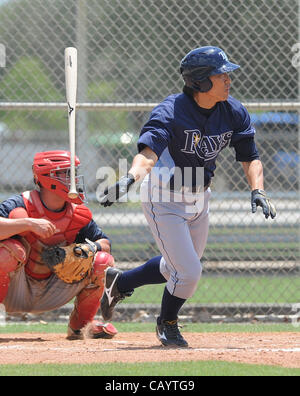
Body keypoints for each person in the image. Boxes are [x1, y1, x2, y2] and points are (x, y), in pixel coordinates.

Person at [99, 46, 277, 348]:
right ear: (200, 82)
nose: (228, 79)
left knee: (175, 268)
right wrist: (129, 177)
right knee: (190, 271)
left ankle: (121, 281)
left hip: (199, 196)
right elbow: (149, 153)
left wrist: (257, 189)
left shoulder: (233, 110)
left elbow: (250, 156)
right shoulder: (171, 110)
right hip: (164, 197)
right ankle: (167, 324)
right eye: (220, 74)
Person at [0, 150, 118, 340]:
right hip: (14, 288)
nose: (73, 180)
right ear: (48, 177)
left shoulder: (78, 214)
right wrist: (28, 223)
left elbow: (105, 243)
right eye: (66, 174)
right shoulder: (21, 203)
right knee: (9, 252)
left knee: (103, 262)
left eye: (73, 174)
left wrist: (90, 249)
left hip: (54, 288)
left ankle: (80, 328)